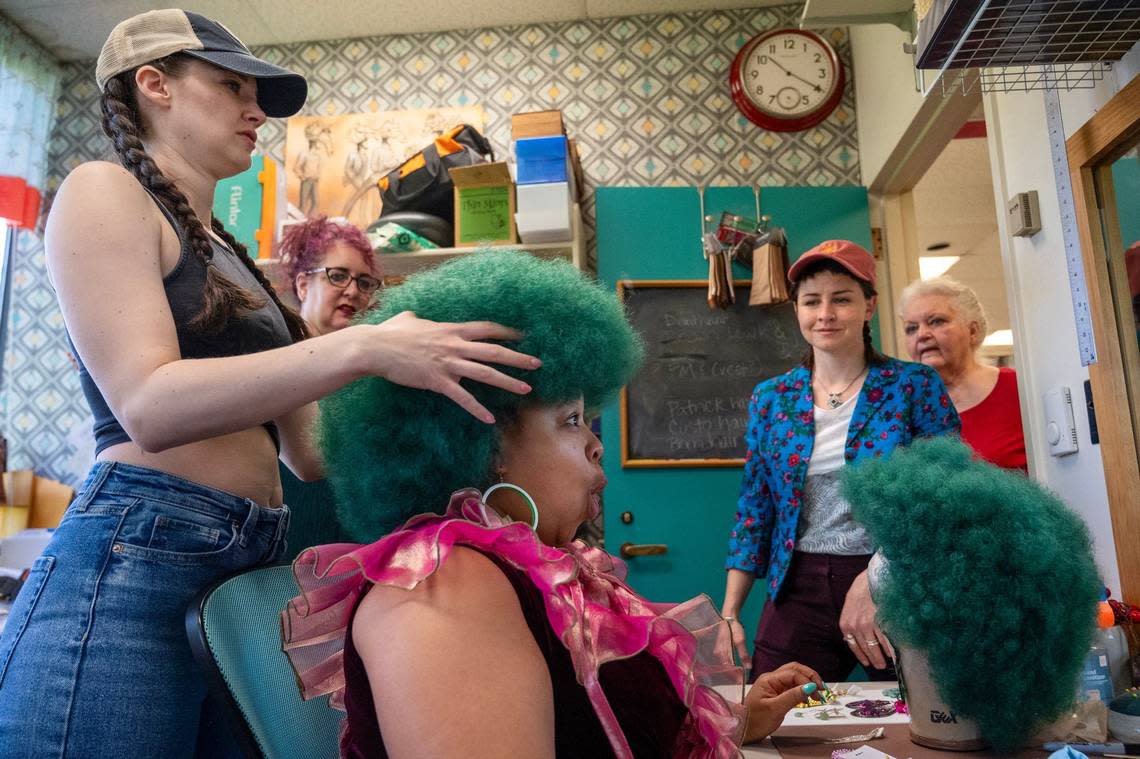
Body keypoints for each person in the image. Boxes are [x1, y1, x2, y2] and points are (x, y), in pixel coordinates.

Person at [0, 10, 538, 758]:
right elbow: (149, 405)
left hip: (245, 564)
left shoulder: (227, 254)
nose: (256, 111)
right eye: (230, 86)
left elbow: (311, 454)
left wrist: (459, 423)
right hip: (133, 562)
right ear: (154, 85)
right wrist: (364, 347)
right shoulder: (104, 191)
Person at [282, 251, 824, 759]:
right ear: (483, 442)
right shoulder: (445, 586)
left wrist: (737, 719)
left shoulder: (535, 571)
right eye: (570, 420)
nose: (596, 445)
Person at [720, 240, 960, 684]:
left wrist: (877, 577)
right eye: (812, 301)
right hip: (798, 584)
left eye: (842, 299)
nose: (825, 313)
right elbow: (755, 508)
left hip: (894, 579)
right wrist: (730, 612)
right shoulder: (771, 398)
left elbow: (944, 498)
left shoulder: (913, 386)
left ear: (869, 306)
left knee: (919, 714)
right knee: (779, 716)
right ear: (797, 311)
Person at [276, 216, 381, 557]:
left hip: (356, 559)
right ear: (304, 285)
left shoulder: (372, 378)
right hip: (283, 560)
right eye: (338, 276)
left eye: (364, 283)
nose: (352, 290)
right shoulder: (274, 360)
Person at [897, 276, 1027, 472]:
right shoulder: (899, 407)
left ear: (972, 331)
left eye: (936, 321)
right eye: (911, 328)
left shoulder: (1019, 388)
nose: (922, 334)